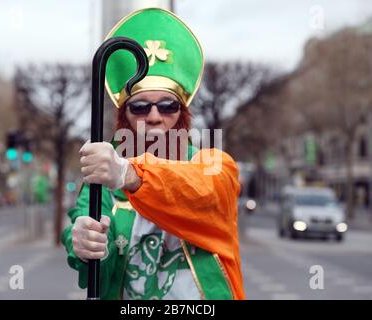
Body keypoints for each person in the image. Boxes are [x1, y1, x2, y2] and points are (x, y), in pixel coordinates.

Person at [62, 7, 245, 300]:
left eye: (168, 105)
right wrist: (84, 242)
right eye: (140, 107)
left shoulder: (212, 164)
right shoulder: (101, 182)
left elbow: (207, 192)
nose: (155, 116)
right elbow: (87, 228)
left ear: (182, 113)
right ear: (125, 116)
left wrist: (130, 175)